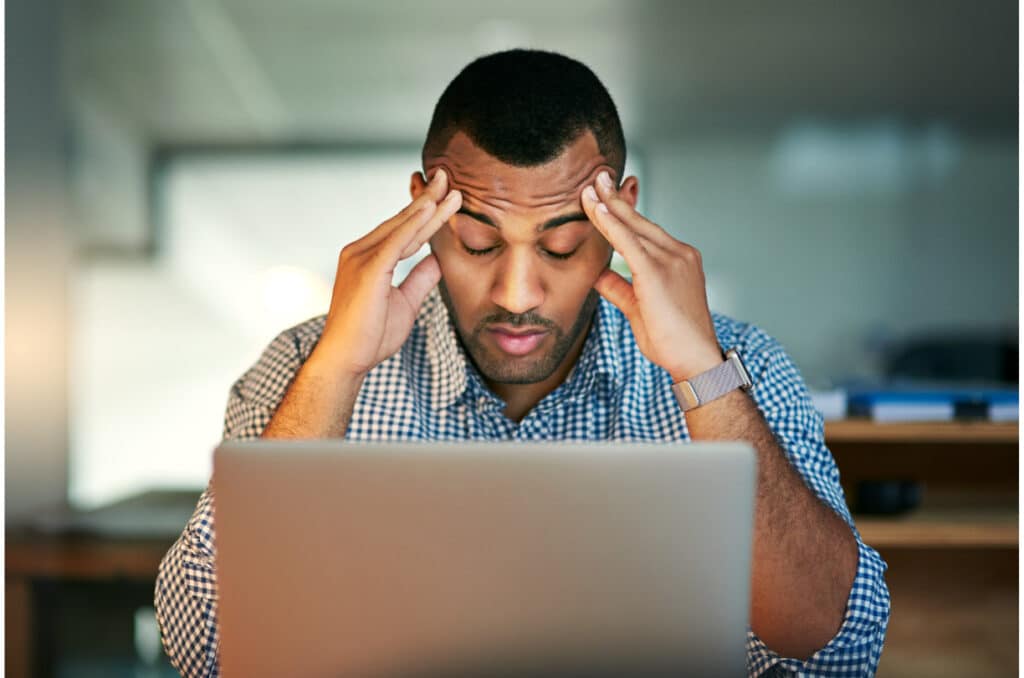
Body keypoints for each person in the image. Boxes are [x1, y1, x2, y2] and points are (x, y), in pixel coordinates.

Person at [155, 49, 889, 677]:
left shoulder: (741, 365)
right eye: (478, 243)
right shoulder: (300, 365)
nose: (517, 293)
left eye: (562, 246)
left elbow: (836, 653)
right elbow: (209, 652)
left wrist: (701, 370)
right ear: (424, 209)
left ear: (622, 214)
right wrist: (333, 375)